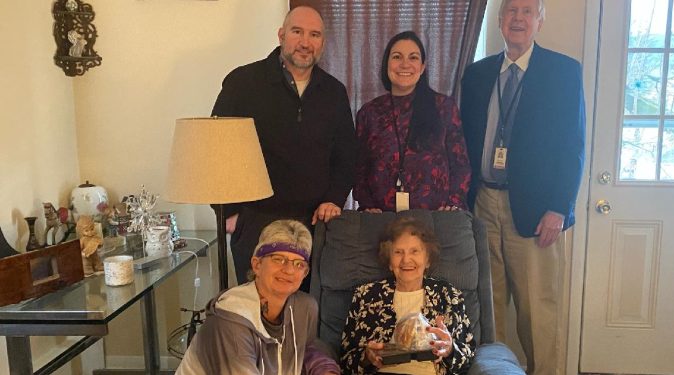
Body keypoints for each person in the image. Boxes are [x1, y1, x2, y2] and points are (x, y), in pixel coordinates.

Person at [460, 0, 585, 374]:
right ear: (499, 21)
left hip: (536, 212)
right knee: (490, 306)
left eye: (527, 11)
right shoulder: (477, 74)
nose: (518, 18)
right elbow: (464, 138)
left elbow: (572, 145)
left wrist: (559, 207)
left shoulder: (563, 72)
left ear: (539, 21)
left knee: (537, 312)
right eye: (511, 11)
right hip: (482, 204)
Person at [211, 6, 356, 284]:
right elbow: (216, 148)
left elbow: (346, 154)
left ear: (322, 43)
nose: (305, 42)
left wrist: (334, 198)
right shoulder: (243, 83)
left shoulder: (334, 92)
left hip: (312, 223)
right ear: (281, 35)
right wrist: (227, 211)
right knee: (256, 311)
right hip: (255, 220)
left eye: (314, 35)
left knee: (304, 312)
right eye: (297, 31)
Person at [176, 220, 340, 375]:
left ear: (305, 274)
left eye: (299, 264)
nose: (289, 270)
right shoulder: (231, 320)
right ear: (257, 265)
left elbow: (304, 350)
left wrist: (325, 369)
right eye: (278, 259)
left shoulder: (304, 307)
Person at [353, 31, 471, 213]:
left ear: (422, 67)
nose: (405, 64)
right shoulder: (370, 112)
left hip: (436, 219)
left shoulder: (444, 107)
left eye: (413, 57)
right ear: (387, 64)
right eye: (397, 57)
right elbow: (359, 168)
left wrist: (453, 203)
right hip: (381, 219)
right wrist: (367, 205)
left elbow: (460, 163)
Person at [340, 217, 475, 374]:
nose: (406, 259)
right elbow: (345, 359)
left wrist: (450, 349)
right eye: (398, 252)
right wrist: (366, 358)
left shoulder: (449, 295)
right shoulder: (366, 295)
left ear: (428, 259)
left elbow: (468, 356)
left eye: (414, 251)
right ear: (389, 261)